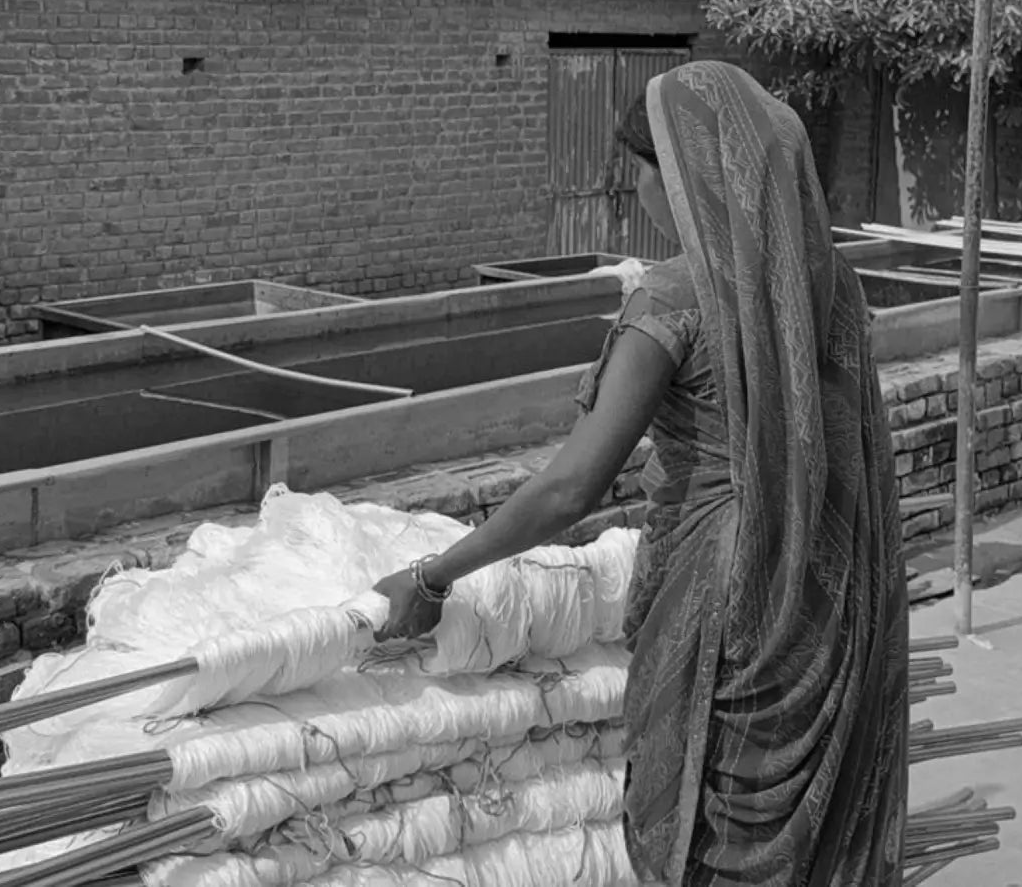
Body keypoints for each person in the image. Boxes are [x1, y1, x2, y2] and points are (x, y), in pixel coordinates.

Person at [373, 61, 909, 886]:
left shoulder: (672, 302)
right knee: (805, 827)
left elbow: (570, 488)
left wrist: (432, 576)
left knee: (706, 813)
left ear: (688, 177)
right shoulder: (830, 285)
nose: (642, 195)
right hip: (821, 583)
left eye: (644, 172)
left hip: (719, 594)